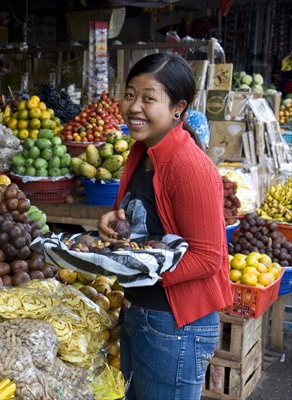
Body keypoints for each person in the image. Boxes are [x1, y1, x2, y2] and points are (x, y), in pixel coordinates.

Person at [98, 52, 233, 400]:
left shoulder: (188, 167)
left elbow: (208, 257)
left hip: (174, 323)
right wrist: (115, 223)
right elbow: (144, 225)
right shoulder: (142, 152)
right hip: (143, 312)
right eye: (130, 94)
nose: (134, 106)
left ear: (178, 108)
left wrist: (139, 268)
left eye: (148, 98)